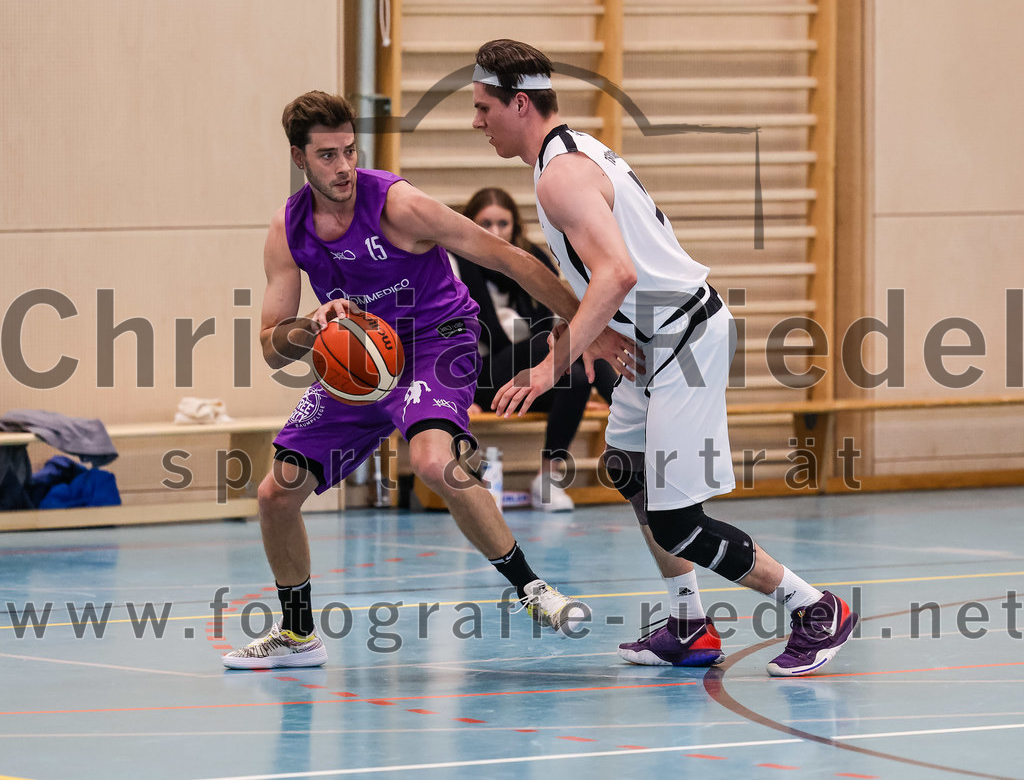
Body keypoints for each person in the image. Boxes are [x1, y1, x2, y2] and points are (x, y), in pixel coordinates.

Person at [470, 39, 858, 676]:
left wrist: (550, 365)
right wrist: (597, 331)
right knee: (628, 469)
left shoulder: (561, 174)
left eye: (484, 107)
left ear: (518, 104)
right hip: (654, 339)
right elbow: (625, 267)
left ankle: (815, 609)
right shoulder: (571, 153)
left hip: (684, 341)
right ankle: (689, 624)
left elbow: (617, 273)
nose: (477, 121)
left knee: (677, 521)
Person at [222, 91, 638, 669]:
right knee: (275, 494)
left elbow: (511, 259)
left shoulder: (398, 205)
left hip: (436, 342)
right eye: (327, 156)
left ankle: (532, 588)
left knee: (433, 462)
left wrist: (590, 329)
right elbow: (272, 345)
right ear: (299, 158)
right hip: (361, 361)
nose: (343, 167)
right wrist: (311, 325)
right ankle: (298, 635)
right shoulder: (288, 229)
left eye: (349, 151)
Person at [452, 187, 617, 512]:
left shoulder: (531, 259)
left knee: (577, 379)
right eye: (485, 224)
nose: (495, 232)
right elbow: (461, 334)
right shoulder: (459, 260)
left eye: (503, 224)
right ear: (471, 224)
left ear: (515, 226)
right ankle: (628, 408)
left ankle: (547, 479)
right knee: (563, 338)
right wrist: (459, 395)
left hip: (531, 373)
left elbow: (549, 324)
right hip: (483, 378)